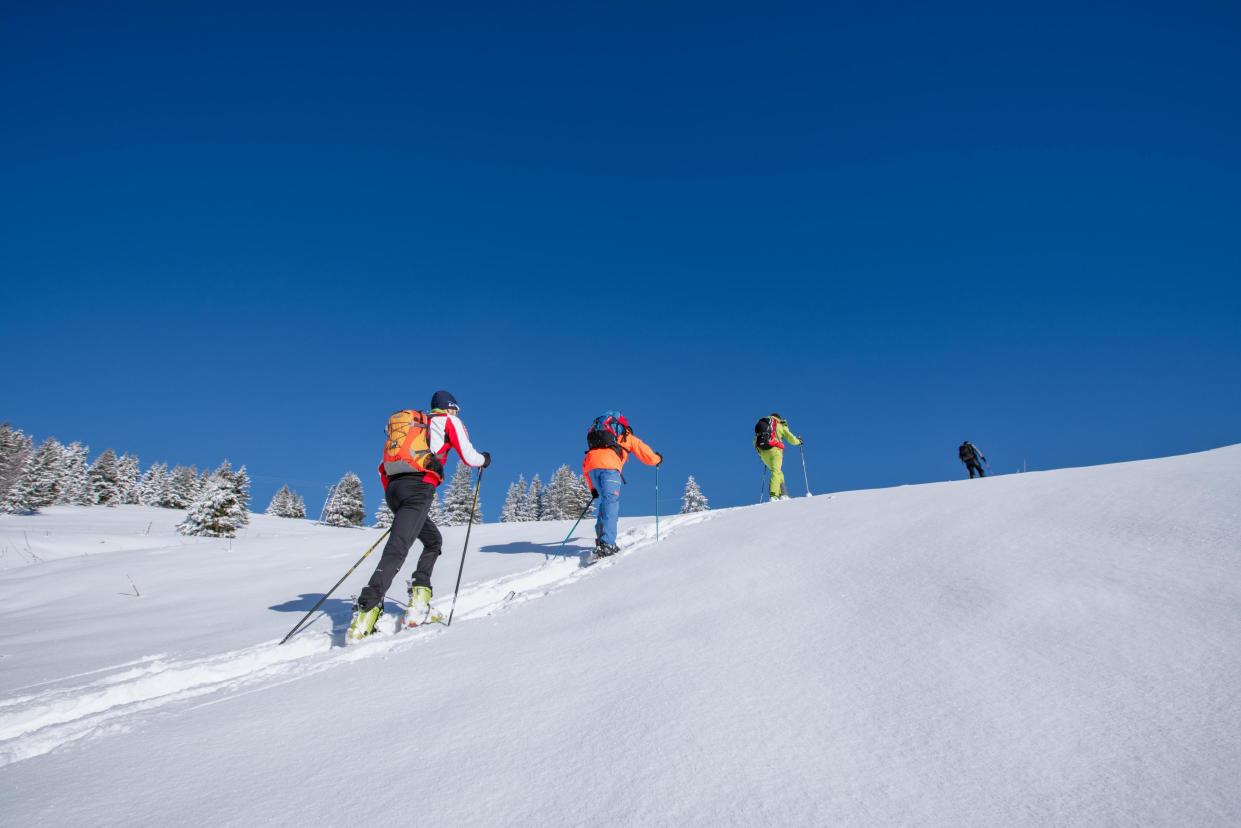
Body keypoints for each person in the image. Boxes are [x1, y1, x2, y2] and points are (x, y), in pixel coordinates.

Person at [348, 390, 490, 640]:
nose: (457, 414)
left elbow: (386, 465)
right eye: (456, 409)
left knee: (433, 540)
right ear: (450, 408)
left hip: (394, 490)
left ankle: (419, 599)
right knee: (398, 549)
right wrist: (485, 460)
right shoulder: (448, 421)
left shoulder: (416, 427)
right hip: (418, 489)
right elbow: (469, 457)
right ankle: (367, 610)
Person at [582, 411, 662, 558]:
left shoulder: (599, 437)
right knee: (611, 502)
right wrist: (657, 459)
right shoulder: (626, 436)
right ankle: (607, 544)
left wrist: (592, 488)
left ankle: (602, 541)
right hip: (609, 468)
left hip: (591, 467)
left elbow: (586, 463)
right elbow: (646, 455)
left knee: (605, 502)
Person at [754, 412, 802, 501]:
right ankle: (773, 495)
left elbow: (755, 441)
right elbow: (790, 438)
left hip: (763, 453)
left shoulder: (763, 425)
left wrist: (760, 453)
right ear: (778, 418)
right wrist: (799, 441)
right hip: (775, 451)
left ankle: (783, 494)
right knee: (776, 472)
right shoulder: (779, 425)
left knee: (778, 471)